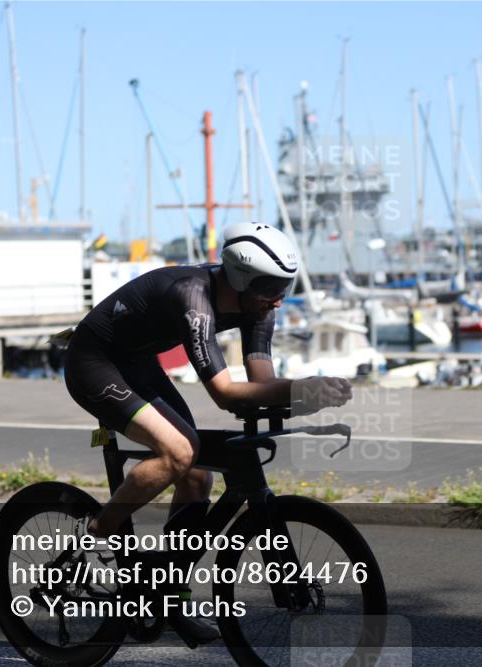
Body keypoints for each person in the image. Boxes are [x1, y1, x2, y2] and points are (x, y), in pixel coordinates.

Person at [63, 222, 351, 557]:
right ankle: (100, 530)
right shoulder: (192, 297)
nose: (278, 301)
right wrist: (300, 390)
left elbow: (264, 385)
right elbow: (224, 393)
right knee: (180, 452)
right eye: (271, 287)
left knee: (197, 476)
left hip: (138, 364)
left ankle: (170, 583)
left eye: (285, 286)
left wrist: (309, 396)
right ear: (242, 279)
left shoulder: (258, 306)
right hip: (94, 363)